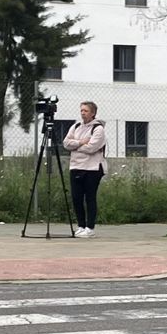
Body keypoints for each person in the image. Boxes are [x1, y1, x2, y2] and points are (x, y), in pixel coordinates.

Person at [61, 101, 106, 238]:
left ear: (93, 113)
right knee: (76, 198)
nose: (82, 113)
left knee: (90, 198)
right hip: (76, 166)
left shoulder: (98, 129)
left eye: (86, 111)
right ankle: (81, 225)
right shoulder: (76, 127)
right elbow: (66, 143)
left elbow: (92, 147)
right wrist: (81, 142)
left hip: (92, 168)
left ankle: (90, 227)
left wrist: (76, 146)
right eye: (81, 110)